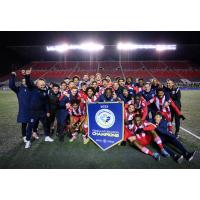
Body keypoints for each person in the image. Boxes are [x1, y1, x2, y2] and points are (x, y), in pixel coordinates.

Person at [24, 71, 54, 149]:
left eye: (43, 84)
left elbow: (47, 103)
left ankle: (47, 136)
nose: (43, 85)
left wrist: (47, 111)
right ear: (37, 84)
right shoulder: (32, 89)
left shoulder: (45, 92)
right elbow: (28, 83)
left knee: (46, 124)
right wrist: (27, 75)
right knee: (30, 126)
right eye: (41, 84)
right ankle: (28, 140)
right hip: (33, 112)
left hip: (42, 112)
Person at [9, 70, 31, 143]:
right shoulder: (19, 89)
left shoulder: (31, 89)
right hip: (23, 110)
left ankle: (33, 133)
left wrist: (26, 75)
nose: (25, 82)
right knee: (24, 124)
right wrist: (13, 76)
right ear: (22, 82)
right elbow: (11, 86)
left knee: (32, 123)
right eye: (23, 81)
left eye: (26, 81)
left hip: (32, 110)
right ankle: (24, 136)